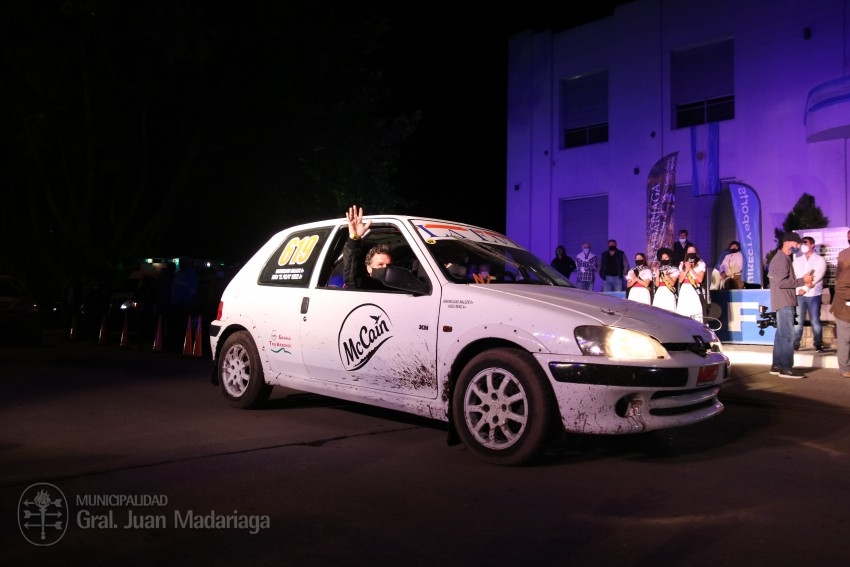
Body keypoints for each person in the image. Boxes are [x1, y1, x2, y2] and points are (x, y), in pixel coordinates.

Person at [767, 232, 814, 379]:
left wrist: (803, 282)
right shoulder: (781, 259)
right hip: (784, 301)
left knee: (781, 334)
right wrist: (803, 280)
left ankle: (777, 365)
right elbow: (781, 283)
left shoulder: (782, 258)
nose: (799, 246)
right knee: (787, 335)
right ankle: (786, 368)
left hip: (783, 300)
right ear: (788, 242)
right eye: (797, 243)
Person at [343, 205, 393, 290]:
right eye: (380, 264)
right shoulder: (363, 285)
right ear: (369, 268)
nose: (385, 268)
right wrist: (355, 238)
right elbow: (352, 276)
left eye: (388, 265)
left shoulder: (396, 284)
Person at [792, 235, 827, 351]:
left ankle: (818, 343)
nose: (803, 246)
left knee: (815, 320)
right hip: (799, 295)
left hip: (813, 294)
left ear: (812, 245)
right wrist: (799, 289)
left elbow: (816, 277)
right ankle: (795, 343)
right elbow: (796, 277)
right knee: (798, 320)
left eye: (805, 243)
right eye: (802, 243)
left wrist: (805, 288)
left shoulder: (819, 260)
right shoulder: (797, 260)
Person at [830, 230, 850, 378]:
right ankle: (844, 368)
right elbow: (840, 284)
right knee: (845, 338)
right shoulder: (845, 257)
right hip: (844, 306)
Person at [676, 244, 706, 322]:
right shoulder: (682, 264)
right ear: (686, 253)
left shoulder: (700, 263)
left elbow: (700, 279)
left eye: (693, 251)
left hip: (695, 288)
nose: (691, 252)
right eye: (689, 251)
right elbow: (680, 280)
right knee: (684, 310)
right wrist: (686, 269)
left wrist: (691, 269)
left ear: (696, 252)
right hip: (685, 289)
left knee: (695, 308)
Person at [652, 247, 679, 312]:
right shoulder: (659, 269)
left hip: (669, 292)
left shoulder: (674, 269)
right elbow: (657, 284)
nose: (664, 259)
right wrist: (657, 275)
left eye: (666, 258)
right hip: (660, 292)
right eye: (662, 258)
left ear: (669, 258)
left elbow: (672, 283)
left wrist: (667, 276)